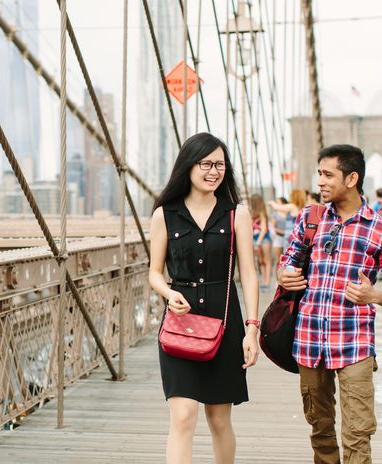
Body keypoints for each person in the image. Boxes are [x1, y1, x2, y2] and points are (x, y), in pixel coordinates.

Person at [277, 144, 382, 464]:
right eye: (319, 174)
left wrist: (375, 296)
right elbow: (287, 262)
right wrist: (284, 275)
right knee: (320, 430)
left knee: (357, 434)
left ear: (351, 178)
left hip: (355, 344)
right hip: (309, 340)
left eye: (328, 175)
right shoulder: (308, 219)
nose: (320, 182)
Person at [149, 132, 260, 464]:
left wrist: (251, 330)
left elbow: (249, 274)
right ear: (189, 166)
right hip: (179, 324)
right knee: (182, 416)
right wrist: (169, 293)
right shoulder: (164, 214)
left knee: (219, 418)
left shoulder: (235, 214)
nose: (214, 171)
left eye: (220, 165)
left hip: (225, 323)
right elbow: (154, 272)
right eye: (206, 164)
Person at [268, 189, 307, 266]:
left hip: (289, 235)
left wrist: (271, 203)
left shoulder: (292, 207)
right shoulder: (302, 207)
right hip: (296, 234)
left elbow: (277, 207)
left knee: (288, 257)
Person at [250, 194, 273, 290]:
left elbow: (263, 229)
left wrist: (257, 242)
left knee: (267, 261)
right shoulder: (252, 214)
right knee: (261, 261)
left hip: (264, 239)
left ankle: (267, 283)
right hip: (255, 239)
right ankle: (264, 282)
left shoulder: (262, 214)